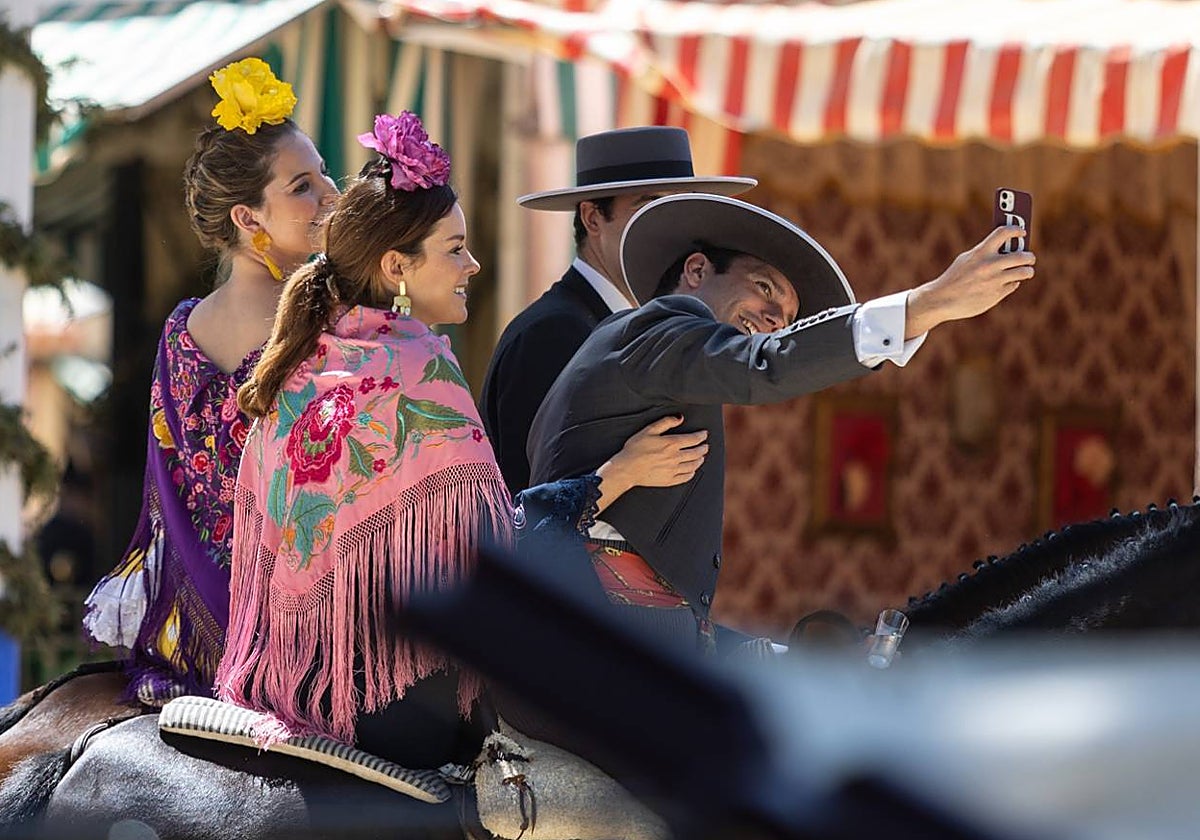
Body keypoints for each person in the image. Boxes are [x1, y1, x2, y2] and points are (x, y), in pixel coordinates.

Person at [215, 112, 708, 769]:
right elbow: (491, 549)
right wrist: (614, 476)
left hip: (290, 684)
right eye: (454, 249)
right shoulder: (419, 369)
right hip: (397, 703)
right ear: (396, 266)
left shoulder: (304, 363)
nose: (472, 265)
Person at [527, 193, 1037, 657]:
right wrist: (929, 304)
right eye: (764, 288)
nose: (774, 317)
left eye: (788, 316)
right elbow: (766, 366)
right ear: (698, 270)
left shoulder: (655, 368)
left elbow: (666, 605)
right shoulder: (658, 327)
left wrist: (790, 657)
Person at [82, 58, 339, 704]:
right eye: (304, 185)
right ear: (248, 218)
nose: (331, 195)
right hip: (300, 637)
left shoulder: (179, 331)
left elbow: (166, 501)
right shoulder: (324, 324)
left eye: (324, 175)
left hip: (191, 637)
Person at [479, 126, 756, 496]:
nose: (671, 225)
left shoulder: (641, 326)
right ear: (593, 219)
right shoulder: (552, 332)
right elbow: (526, 504)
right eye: (649, 206)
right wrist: (622, 471)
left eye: (680, 206)